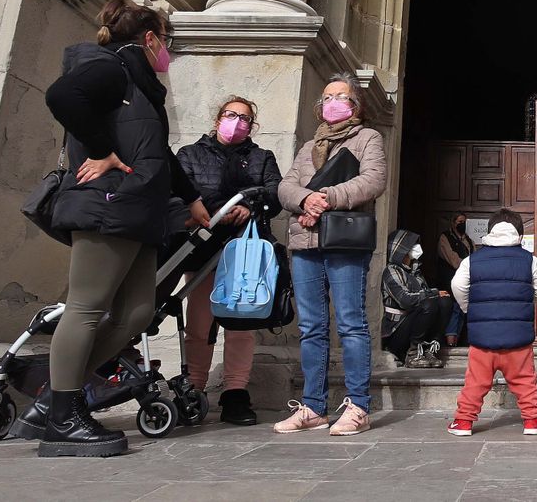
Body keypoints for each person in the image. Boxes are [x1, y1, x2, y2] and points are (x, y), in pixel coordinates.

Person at [31, 0, 204, 458]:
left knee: (136, 313)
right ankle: (63, 419)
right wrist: (104, 150)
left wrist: (191, 198)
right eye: (165, 41)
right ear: (149, 39)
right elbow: (63, 97)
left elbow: (156, 153)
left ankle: (56, 398)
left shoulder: (142, 90)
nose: (167, 51)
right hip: (107, 205)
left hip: (137, 213)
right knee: (87, 308)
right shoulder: (111, 69)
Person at [273, 73, 386, 437]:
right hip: (305, 242)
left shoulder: (368, 137)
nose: (332, 102)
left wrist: (326, 198)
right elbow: (285, 186)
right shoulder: (309, 145)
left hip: (344, 241)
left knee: (351, 322)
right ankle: (313, 406)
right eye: (327, 97)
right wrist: (305, 198)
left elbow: (372, 180)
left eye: (341, 96)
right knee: (311, 327)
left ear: (355, 105)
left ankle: (358, 406)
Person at [174, 95, 283, 425]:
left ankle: (235, 392)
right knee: (199, 324)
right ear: (217, 118)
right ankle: (193, 388)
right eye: (230, 114)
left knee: (240, 324)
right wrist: (213, 211)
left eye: (245, 118)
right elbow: (180, 191)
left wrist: (249, 208)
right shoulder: (190, 155)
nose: (237, 121)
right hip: (202, 246)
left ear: (253, 125)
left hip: (244, 251)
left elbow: (276, 194)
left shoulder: (262, 158)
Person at [447, 208, 537, 436]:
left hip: (483, 339)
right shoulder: (528, 260)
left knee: (475, 382)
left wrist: (468, 308)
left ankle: (463, 422)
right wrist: (524, 301)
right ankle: (533, 421)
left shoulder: (472, 260)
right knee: (524, 380)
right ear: (520, 234)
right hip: (518, 338)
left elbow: (458, 286)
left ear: (490, 231)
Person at [382, 228, 455, 368]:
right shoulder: (392, 271)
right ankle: (413, 352)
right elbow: (405, 300)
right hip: (397, 330)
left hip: (417, 325)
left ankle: (430, 349)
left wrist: (433, 294)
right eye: (411, 245)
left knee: (445, 302)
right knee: (428, 304)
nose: (416, 248)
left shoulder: (415, 272)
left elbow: (427, 295)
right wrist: (433, 293)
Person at [437, 213, 474, 345]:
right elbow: (452, 259)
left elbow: (474, 257)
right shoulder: (445, 237)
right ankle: (450, 341)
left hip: (466, 280)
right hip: (449, 280)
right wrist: (467, 265)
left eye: (464, 221)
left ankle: (458, 339)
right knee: (453, 309)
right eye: (460, 221)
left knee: (462, 309)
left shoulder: (469, 241)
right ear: (453, 223)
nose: (462, 224)